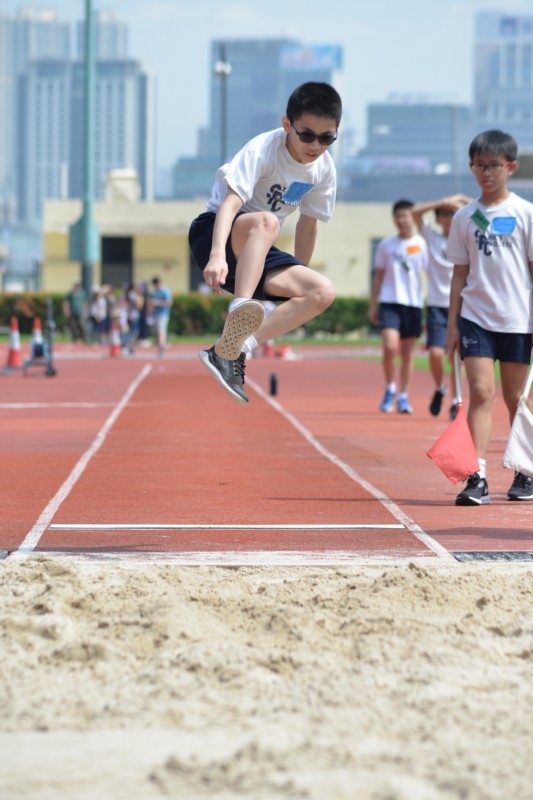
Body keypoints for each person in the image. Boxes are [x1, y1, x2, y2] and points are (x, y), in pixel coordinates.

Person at [188, 81, 342, 405]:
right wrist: (217, 256)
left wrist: (297, 279)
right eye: (307, 135)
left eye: (327, 137)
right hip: (215, 232)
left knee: (321, 291)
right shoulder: (264, 149)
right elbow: (230, 203)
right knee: (267, 221)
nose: (316, 145)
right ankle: (239, 310)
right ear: (288, 124)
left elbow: (308, 226)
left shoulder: (324, 170)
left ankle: (231, 350)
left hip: (257, 251)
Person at [447, 129, 533, 506]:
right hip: (476, 317)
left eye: (493, 166)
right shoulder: (465, 217)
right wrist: (452, 323)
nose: (486, 172)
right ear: (471, 167)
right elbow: (459, 274)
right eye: (479, 166)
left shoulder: (525, 213)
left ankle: (525, 471)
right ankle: (475, 474)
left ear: (510, 167)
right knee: (481, 392)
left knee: (517, 399)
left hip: (518, 319)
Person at [411, 194, 471, 420]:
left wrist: (462, 200)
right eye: (444, 216)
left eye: (453, 215)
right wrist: (444, 202)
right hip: (438, 305)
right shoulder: (432, 238)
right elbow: (415, 212)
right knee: (436, 353)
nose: (449, 219)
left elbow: (486, 214)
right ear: (438, 220)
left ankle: (457, 401)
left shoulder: (467, 240)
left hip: (463, 304)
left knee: (458, 356)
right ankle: (439, 388)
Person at [368, 199, 428, 414]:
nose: (402, 220)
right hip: (390, 301)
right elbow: (379, 275)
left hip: (413, 303)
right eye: (399, 216)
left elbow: (432, 272)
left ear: (413, 218)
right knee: (390, 345)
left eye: (406, 215)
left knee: (408, 353)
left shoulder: (422, 244)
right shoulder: (386, 245)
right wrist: (372, 304)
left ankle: (403, 396)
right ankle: (390, 388)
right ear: (394, 219)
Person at [150, 276, 172, 356]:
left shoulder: (165, 291)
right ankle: (162, 344)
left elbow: (169, 303)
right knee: (156, 332)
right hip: (156, 314)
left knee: (161, 331)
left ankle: (161, 348)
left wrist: (157, 302)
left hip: (163, 314)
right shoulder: (156, 291)